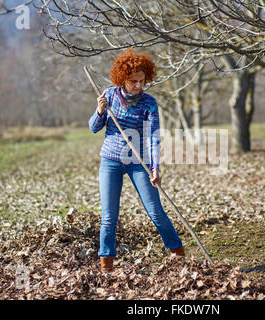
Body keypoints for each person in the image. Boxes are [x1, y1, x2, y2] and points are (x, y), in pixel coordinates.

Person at [89, 48, 184, 273]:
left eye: (142, 81)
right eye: (133, 81)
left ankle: (179, 256)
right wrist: (100, 111)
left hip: (137, 161)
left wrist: (155, 168)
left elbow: (153, 137)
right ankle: (106, 268)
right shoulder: (109, 95)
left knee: (156, 211)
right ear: (123, 78)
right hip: (110, 161)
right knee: (109, 217)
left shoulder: (149, 103)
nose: (138, 86)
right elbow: (94, 128)